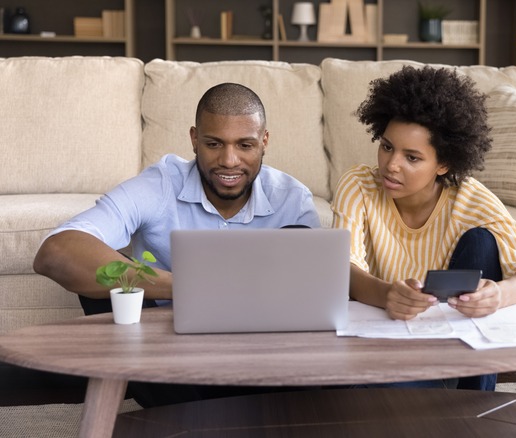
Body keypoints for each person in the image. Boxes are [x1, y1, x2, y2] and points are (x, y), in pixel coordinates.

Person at [33, 82, 320, 406]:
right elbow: (55, 251)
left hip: (258, 357)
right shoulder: (159, 184)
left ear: (264, 141)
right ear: (194, 139)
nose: (229, 160)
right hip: (166, 359)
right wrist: (185, 286)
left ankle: (209, 414)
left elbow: (310, 298)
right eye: (214, 144)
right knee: (104, 281)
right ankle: (197, 413)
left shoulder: (292, 198)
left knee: (302, 245)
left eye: (245, 145)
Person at [331, 66, 516, 391]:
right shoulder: (359, 185)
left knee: (482, 241)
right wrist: (387, 295)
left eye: (412, 157)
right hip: (385, 342)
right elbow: (343, 268)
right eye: (387, 146)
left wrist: (498, 295)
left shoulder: (468, 197)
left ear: (444, 164)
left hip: (455, 347)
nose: (391, 165)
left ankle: (472, 401)